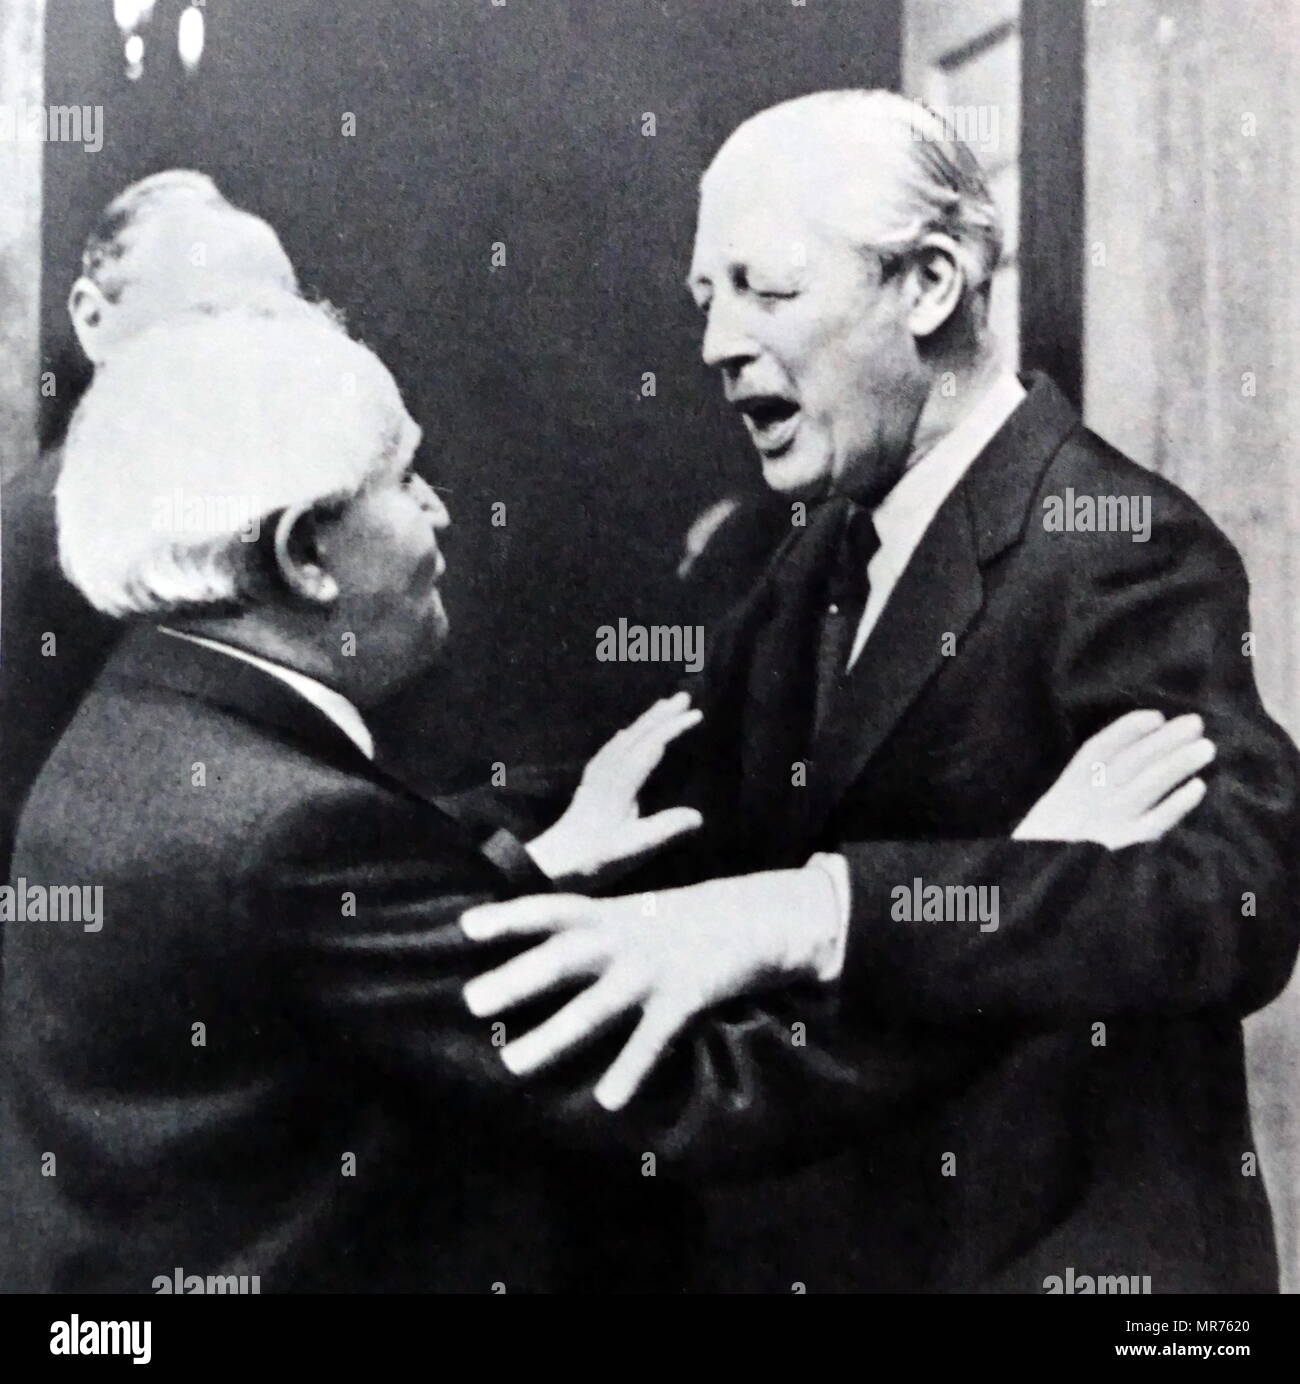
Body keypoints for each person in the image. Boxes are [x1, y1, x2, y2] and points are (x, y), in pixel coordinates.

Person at [0, 293, 1206, 1294]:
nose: (440, 513)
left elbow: (324, 982)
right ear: (303, 554)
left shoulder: (136, 730)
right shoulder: (286, 833)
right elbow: (697, 1098)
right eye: (404, 479)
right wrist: (1021, 884)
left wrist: (533, 868)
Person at [460, 91, 1300, 1292]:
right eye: (707, 300)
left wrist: (822, 911)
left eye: (767, 290)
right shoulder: (814, 553)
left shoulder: (1114, 538)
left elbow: (1237, 892)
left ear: (929, 284)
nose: (714, 344)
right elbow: (673, 796)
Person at [0, 170, 300, 875]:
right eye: (204, 320)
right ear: (93, 319)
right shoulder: (66, 532)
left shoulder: (216, 510)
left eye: (274, 324)